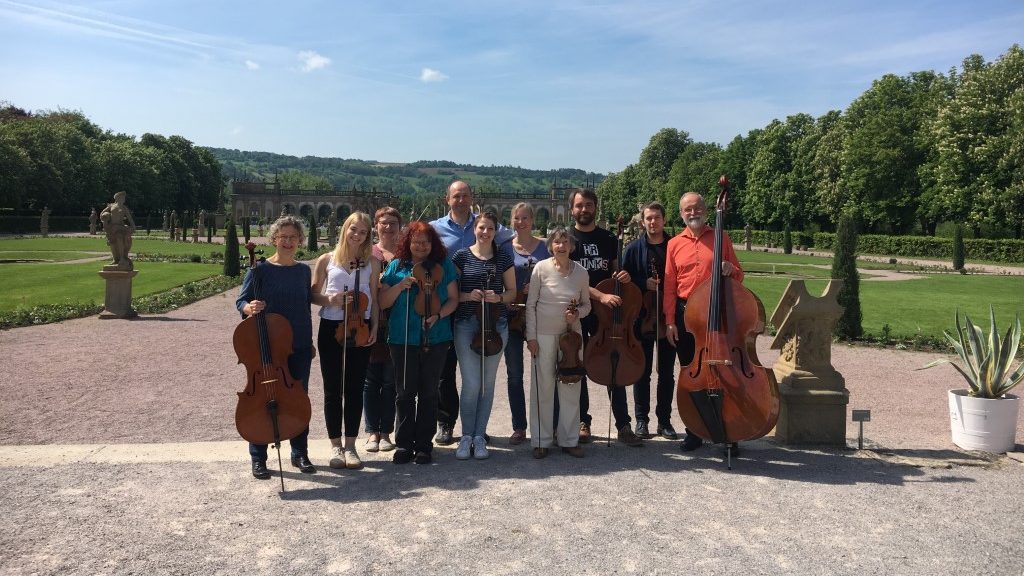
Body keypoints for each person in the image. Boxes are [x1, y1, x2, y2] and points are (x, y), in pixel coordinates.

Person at [429, 180, 513, 445]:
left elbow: (512, 235)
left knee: (480, 380)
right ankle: (446, 422)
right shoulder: (436, 229)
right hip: (453, 307)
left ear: (471, 198)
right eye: (457, 195)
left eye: (465, 195)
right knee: (446, 371)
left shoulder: (489, 226)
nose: (461, 199)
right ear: (447, 199)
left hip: (488, 318)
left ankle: (478, 428)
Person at [235, 215, 316, 479]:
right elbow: (242, 300)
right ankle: (258, 457)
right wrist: (249, 308)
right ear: (274, 240)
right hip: (266, 347)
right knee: (262, 398)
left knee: (297, 399)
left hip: (299, 346)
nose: (289, 242)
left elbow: (305, 309)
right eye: (284, 237)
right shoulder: (259, 270)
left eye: (294, 237)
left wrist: (310, 342)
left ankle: (299, 452)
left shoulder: (303, 271)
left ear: (300, 240)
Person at [664, 192, 744, 454]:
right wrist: (669, 321)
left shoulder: (721, 237)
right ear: (681, 214)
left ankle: (728, 432)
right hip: (686, 315)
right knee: (692, 375)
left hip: (717, 315)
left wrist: (731, 270)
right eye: (687, 209)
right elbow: (669, 286)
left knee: (726, 374)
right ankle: (695, 431)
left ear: (706, 210)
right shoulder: (674, 244)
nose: (693, 212)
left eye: (697, 207)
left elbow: (739, 275)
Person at [567, 188, 643, 447]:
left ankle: (623, 424)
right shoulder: (566, 239)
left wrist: (623, 276)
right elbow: (570, 279)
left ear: (595, 208)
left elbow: (616, 273)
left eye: (588, 205)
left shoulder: (609, 238)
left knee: (615, 363)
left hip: (608, 315)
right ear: (572, 209)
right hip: (579, 309)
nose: (584, 209)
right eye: (579, 205)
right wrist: (600, 295)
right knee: (578, 363)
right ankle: (582, 420)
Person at [379, 221, 459, 465]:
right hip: (402, 336)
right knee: (404, 393)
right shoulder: (397, 266)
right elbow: (382, 302)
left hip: (437, 336)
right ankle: (403, 444)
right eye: (416, 241)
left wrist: (438, 316)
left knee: (428, 393)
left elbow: (453, 299)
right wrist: (400, 287)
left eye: (425, 242)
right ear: (408, 243)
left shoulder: (444, 266)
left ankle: (424, 445)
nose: (421, 246)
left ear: (432, 243)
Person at [312, 212, 380, 470]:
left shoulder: (372, 263)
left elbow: (372, 298)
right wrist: (330, 300)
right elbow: (313, 294)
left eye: (363, 232)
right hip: (331, 326)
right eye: (354, 229)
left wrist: (374, 326)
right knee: (333, 389)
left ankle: (351, 446)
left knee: (354, 388)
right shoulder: (326, 260)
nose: (357, 235)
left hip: (360, 328)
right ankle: (335, 445)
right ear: (345, 229)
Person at [451, 211, 516, 460]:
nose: (485, 232)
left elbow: (512, 291)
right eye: (481, 228)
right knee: (471, 384)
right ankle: (466, 435)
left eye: (490, 228)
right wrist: (469, 296)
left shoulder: (503, 257)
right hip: (467, 323)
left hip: (496, 325)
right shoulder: (460, 256)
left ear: (495, 231)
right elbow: (452, 292)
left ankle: (480, 436)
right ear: (474, 229)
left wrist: (498, 297)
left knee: (487, 384)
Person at [525, 226, 591, 458]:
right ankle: (541, 440)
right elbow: (531, 305)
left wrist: (577, 315)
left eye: (565, 242)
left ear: (571, 246)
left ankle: (569, 439)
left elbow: (586, 305)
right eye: (556, 242)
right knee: (542, 388)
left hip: (571, 338)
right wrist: (531, 337)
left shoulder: (581, 273)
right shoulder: (540, 269)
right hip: (542, 335)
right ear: (550, 246)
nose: (561, 246)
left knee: (571, 386)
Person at [622, 201, 677, 440]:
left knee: (666, 373)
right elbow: (624, 282)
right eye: (648, 218)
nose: (652, 222)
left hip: (669, 317)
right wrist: (641, 282)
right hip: (642, 318)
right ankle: (641, 420)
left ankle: (664, 421)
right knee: (641, 373)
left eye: (656, 218)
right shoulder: (633, 249)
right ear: (643, 221)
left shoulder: (675, 246)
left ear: (664, 219)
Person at [502, 202, 549, 445]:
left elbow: (554, 276)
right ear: (512, 221)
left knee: (543, 373)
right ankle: (519, 426)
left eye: (525, 218)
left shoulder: (545, 248)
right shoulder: (504, 248)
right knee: (514, 375)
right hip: (511, 317)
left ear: (532, 220)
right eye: (516, 218)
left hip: (539, 316)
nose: (521, 222)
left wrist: (538, 289)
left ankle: (544, 425)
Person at [363, 207, 401, 454]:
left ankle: (386, 431)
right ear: (376, 226)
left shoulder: (405, 253)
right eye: (383, 223)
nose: (388, 227)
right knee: (369, 380)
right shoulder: (367, 252)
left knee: (391, 380)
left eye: (393, 223)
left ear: (400, 226)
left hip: (398, 321)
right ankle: (371, 432)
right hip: (369, 320)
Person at [99, 191, 136, 270]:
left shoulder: (124, 208)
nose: (124, 199)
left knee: (119, 238)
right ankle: (115, 259)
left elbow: (129, 218)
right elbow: (101, 214)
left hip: (120, 227)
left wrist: (133, 226)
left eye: (124, 197)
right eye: (122, 197)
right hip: (111, 227)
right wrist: (105, 216)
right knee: (112, 242)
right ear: (118, 198)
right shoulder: (111, 206)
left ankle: (122, 258)